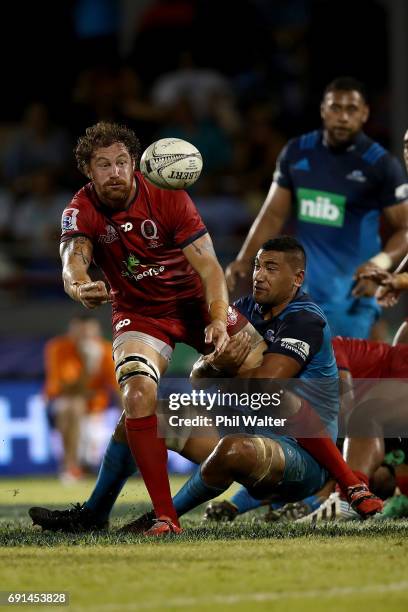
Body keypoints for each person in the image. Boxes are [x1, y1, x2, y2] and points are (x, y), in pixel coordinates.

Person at [29, 238, 382, 532]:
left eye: (271, 269)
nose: (259, 275)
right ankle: (94, 514)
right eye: (258, 265)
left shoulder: (305, 319)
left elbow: (268, 386)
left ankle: (161, 518)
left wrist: (225, 369)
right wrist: (216, 363)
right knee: (139, 420)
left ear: (297, 278)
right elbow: (200, 376)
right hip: (247, 430)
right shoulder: (244, 309)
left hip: (300, 456)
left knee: (241, 441)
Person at [56, 121, 230, 536]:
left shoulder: (168, 194)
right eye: (103, 165)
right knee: (137, 394)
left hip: (195, 306)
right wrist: (81, 288)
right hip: (140, 315)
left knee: (269, 372)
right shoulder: (79, 211)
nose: (114, 172)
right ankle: (166, 518)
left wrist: (220, 319)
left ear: (135, 164)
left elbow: (209, 267)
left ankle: (328, 480)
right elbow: (72, 263)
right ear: (88, 171)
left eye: (121, 162)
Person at [226, 77, 408, 339]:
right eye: (336, 108)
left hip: (354, 291)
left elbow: (404, 229)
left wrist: (378, 265)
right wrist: (244, 258)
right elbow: (273, 214)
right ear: (323, 110)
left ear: (365, 113)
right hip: (304, 289)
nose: (343, 117)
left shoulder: (380, 165)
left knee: (355, 373)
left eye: (352, 109)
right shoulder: (297, 152)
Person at [44, 315, 118, 482]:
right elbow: (67, 389)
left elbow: (118, 388)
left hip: (96, 412)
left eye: (89, 333)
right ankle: (70, 467)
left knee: (91, 460)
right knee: (71, 405)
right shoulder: (59, 348)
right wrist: (88, 366)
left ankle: (86, 466)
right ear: (71, 332)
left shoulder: (105, 349)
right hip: (60, 408)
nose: (85, 337)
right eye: (80, 332)